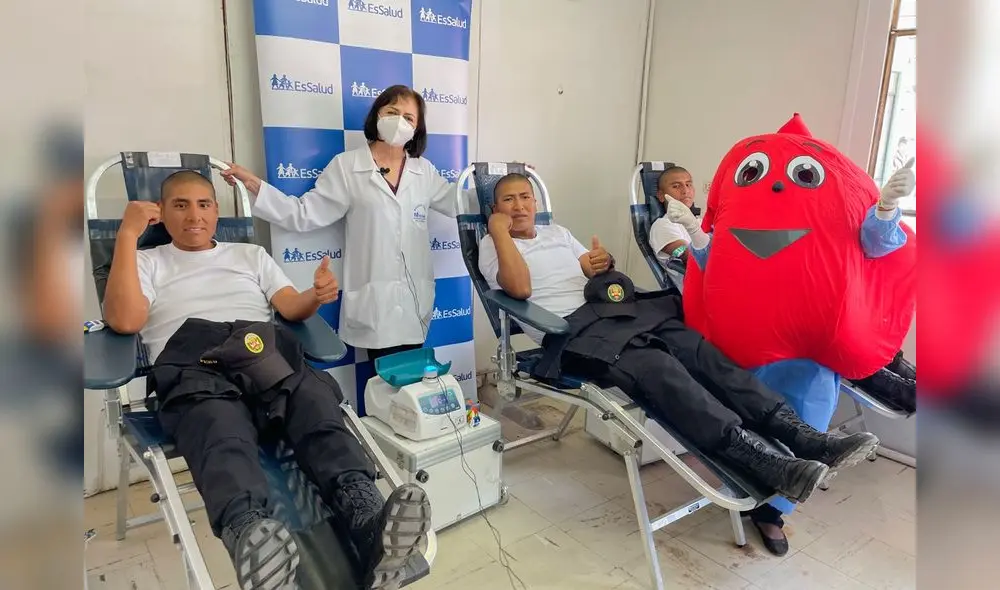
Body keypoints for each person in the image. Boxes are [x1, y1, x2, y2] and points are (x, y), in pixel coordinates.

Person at [101, 170, 431, 590]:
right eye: (180, 205)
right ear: (160, 214)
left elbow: (291, 308)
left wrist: (316, 296)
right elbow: (125, 319)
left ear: (217, 211)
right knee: (220, 429)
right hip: (195, 367)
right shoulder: (147, 260)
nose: (193, 215)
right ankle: (253, 539)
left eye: (203, 204)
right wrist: (127, 236)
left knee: (315, 403)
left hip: (262, 353)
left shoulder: (250, 255)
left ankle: (368, 521)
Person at [478, 173, 880, 504]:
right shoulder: (491, 244)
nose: (519, 206)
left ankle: (803, 437)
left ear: (536, 202)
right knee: (659, 368)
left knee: (698, 350)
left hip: (612, 312)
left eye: (525, 197)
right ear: (495, 210)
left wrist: (598, 265)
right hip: (569, 334)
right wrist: (499, 234)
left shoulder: (558, 232)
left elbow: (590, 269)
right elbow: (520, 289)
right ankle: (763, 461)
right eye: (508, 200)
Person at [671, 113, 917, 555]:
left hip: (808, 356)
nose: (779, 185)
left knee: (803, 424)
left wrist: (885, 210)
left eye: (801, 175)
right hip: (743, 348)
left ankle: (772, 513)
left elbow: (876, 246)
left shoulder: (837, 205)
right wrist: (695, 234)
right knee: (741, 420)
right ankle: (741, 487)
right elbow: (714, 266)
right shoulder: (739, 211)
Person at [222, 85, 461, 364]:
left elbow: (460, 203)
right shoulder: (348, 167)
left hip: (414, 301)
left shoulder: (424, 171)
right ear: (377, 116)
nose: (400, 122)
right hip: (375, 301)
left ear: (418, 127)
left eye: (409, 117)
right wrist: (253, 183)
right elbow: (303, 213)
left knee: (413, 383)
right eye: (392, 112)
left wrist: (500, 187)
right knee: (388, 384)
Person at [648, 165, 699, 266]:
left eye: (688, 185)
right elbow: (691, 257)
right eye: (676, 186)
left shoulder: (699, 221)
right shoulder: (663, 226)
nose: (685, 191)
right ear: (661, 195)